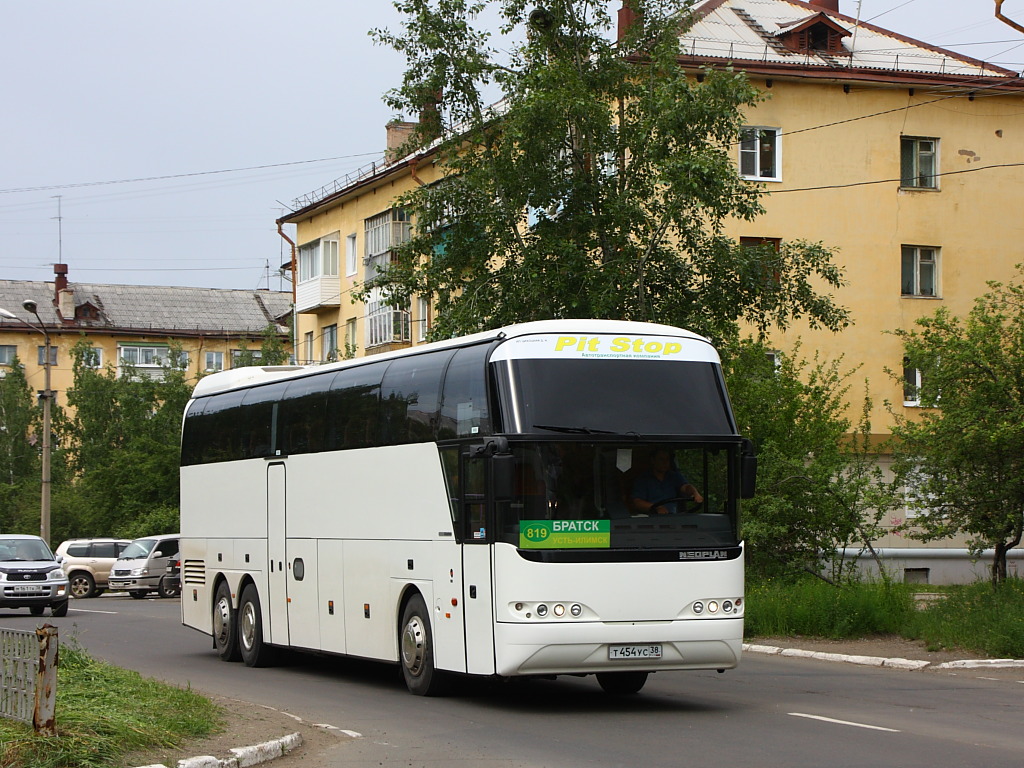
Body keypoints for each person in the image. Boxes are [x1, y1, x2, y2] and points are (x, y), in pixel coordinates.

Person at [630, 448, 703, 515]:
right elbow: (637, 502)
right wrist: (656, 508)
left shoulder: (674, 476)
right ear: (653, 461)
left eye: (667, 459)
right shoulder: (643, 479)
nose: (665, 462)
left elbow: (685, 487)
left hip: (675, 519)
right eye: (661, 459)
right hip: (651, 521)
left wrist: (694, 493)